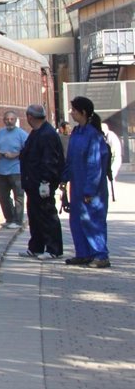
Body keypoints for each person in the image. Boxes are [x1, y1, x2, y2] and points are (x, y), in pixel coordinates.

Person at [62, 96, 111, 268]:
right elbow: (70, 159)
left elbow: (95, 165)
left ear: (83, 112)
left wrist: (90, 190)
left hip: (92, 189)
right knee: (77, 221)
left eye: (74, 110)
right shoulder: (76, 132)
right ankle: (83, 253)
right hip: (76, 186)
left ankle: (101, 255)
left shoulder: (93, 135)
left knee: (93, 221)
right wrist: (64, 178)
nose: (71, 113)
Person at [18, 104, 64, 260]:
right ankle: (36, 247)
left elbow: (50, 160)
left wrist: (46, 181)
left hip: (41, 183)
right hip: (33, 182)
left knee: (47, 214)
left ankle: (54, 249)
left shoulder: (46, 134)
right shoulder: (38, 132)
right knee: (35, 215)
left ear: (30, 117)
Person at [0, 110, 28, 230]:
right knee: (2, 194)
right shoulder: (0, 132)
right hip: (2, 169)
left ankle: (18, 221)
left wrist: (15, 154)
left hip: (16, 169)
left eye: (12, 119)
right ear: (4, 121)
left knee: (18, 196)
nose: (9, 121)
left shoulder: (22, 134)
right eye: (7, 119)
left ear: (16, 120)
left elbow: (28, 150)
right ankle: (9, 218)